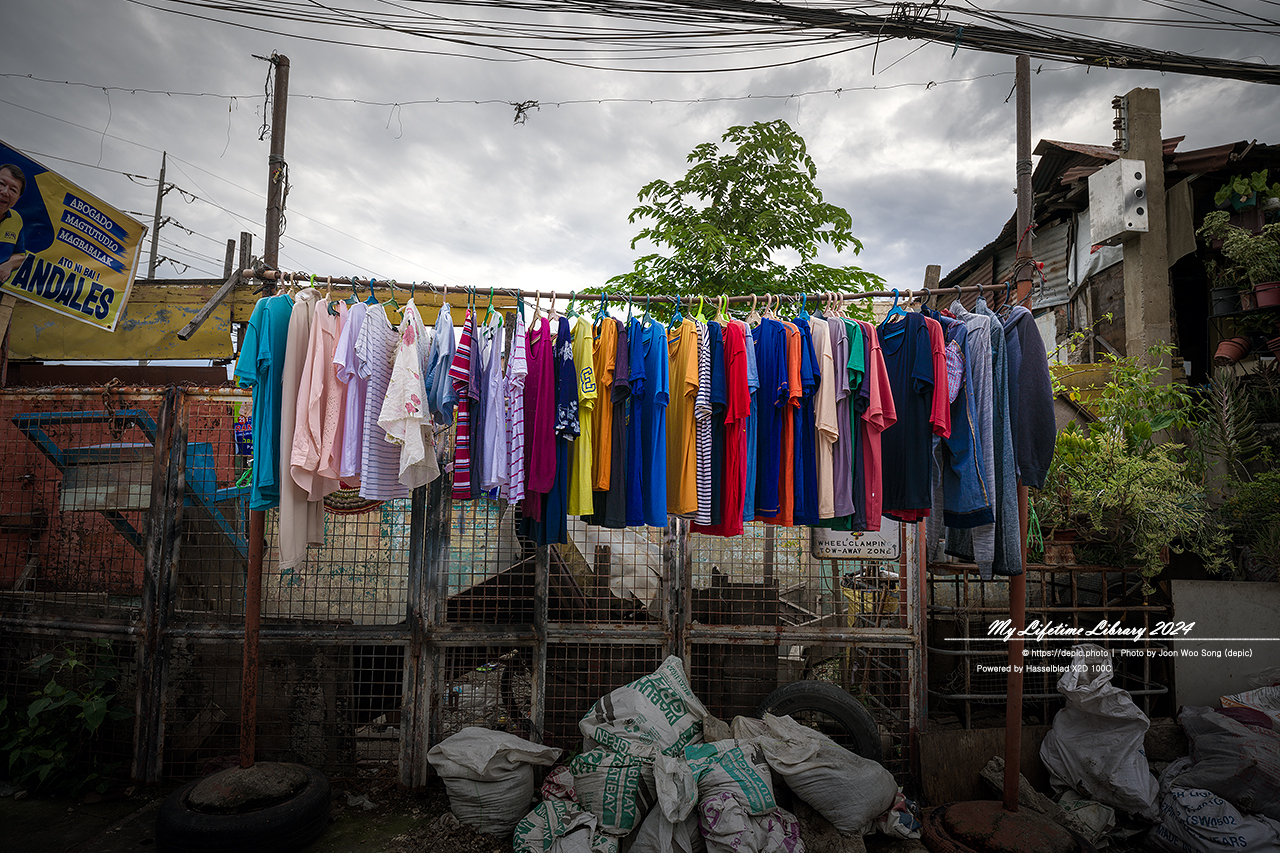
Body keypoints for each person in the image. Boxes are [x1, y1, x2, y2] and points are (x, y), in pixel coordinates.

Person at [0, 163, 28, 282]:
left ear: (17, 198)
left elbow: (20, 255)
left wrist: (9, 265)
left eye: (13, 190)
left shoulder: (16, 219)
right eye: (1, 183)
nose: (5, 192)